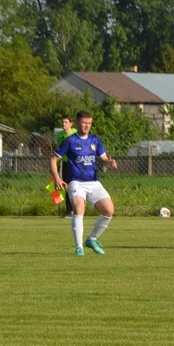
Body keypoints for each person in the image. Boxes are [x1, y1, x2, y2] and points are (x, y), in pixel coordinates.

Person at [50, 110, 118, 256]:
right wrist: (57, 178)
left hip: (93, 181)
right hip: (75, 181)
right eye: (84, 123)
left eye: (89, 123)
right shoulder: (69, 140)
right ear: (78, 123)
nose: (87, 126)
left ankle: (92, 239)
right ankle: (79, 247)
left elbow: (104, 157)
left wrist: (109, 161)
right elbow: (54, 159)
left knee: (109, 210)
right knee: (79, 207)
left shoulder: (95, 140)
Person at [55, 115, 75, 219]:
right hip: (66, 164)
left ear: (71, 124)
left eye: (66, 122)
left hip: (76, 164)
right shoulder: (60, 135)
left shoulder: (76, 133)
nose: (64, 124)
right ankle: (68, 211)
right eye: (62, 122)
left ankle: (78, 209)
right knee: (66, 186)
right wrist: (57, 168)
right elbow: (58, 152)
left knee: (76, 186)